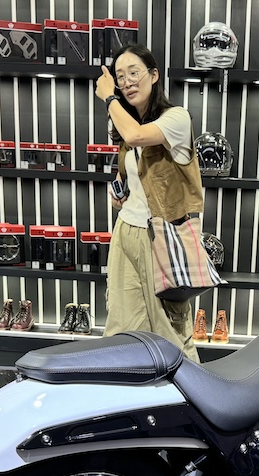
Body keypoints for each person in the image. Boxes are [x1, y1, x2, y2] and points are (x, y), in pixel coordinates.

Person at [94, 44, 202, 362]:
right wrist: (120, 194)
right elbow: (131, 172)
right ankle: (131, 387)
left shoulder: (176, 118)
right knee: (122, 326)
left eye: (133, 73)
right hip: (127, 231)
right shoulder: (126, 127)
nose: (127, 82)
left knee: (171, 329)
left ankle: (192, 391)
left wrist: (110, 98)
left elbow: (137, 136)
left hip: (163, 237)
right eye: (120, 76)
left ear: (154, 75)